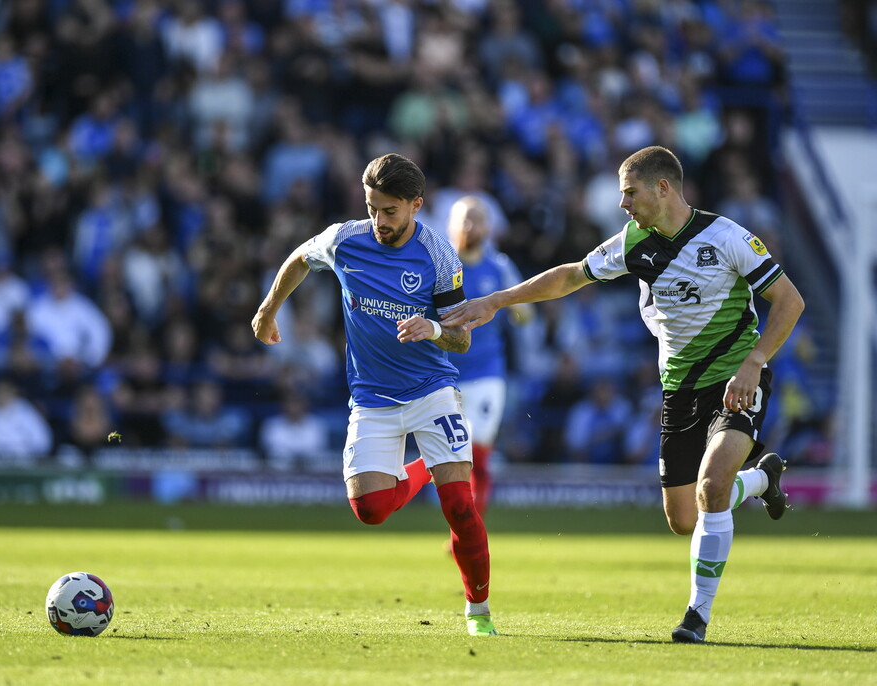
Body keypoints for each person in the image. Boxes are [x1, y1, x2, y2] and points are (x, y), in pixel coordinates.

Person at [443, 145, 805, 644]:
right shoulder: (634, 242)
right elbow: (570, 275)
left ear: (664, 188)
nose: (622, 205)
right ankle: (761, 480)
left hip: (734, 380)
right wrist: (496, 301)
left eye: (629, 193)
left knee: (712, 486)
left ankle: (696, 617)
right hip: (678, 389)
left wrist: (754, 361)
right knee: (684, 518)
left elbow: (790, 299)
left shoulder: (727, 238)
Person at [253, 153, 497, 637]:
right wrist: (268, 310)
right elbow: (300, 259)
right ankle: (427, 468)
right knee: (370, 510)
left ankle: (478, 611)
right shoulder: (345, 239)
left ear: (415, 206)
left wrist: (433, 328)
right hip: (372, 398)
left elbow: (462, 338)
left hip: (431, 390)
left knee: (460, 506)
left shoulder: (438, 255)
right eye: (372, 208)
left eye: (389, 211)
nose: (379, 221)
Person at [446, 195, 533, 516]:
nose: (471, 226)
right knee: (451, 459)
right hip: (443, 375)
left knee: (479, 455)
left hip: (486, 373)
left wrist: (508, 306)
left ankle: (473, 529)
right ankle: (458, 524)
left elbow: (525, 314)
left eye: (477, 219)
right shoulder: (441, 268)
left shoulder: (499, 267)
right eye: (464, 219)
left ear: (489, 227)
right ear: (451, 226)